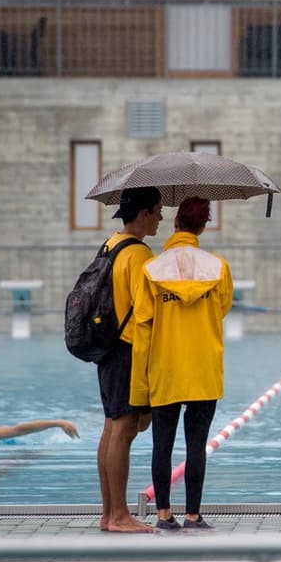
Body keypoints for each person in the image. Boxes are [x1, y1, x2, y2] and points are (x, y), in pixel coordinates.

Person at [129, 197, 233, 531]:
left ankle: (163, 515)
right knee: (196, 445)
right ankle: (192, 515)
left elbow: (142, 327)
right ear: (203, 226)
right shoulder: (218, 268)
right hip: (203, 368)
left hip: (165, 367)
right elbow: (222, 309)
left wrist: (140, 382)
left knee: (162, 443)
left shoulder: (152, 270)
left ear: (176, 224)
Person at [96, 185, 163, 534]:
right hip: (127, 350)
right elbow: (145, 314)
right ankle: (120, 515)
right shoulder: (139, 256)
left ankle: (109, 513)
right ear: (144, 214)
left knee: (110, 428)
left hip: (107, 349)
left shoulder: (111, 244)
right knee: (123, 431)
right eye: (158, 210)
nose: (162, 217)